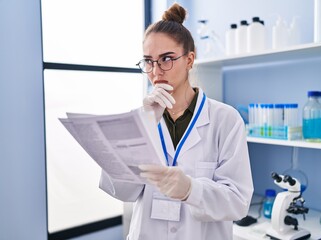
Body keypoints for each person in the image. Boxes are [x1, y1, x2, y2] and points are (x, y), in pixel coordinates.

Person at [99, 3, 253, 240]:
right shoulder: (140, 116)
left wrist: (192, 189)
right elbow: (122, 190)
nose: (156, 71)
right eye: (148, 61)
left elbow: (238, 201)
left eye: (167, 59)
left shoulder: (225, 120)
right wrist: (144, 123)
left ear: (190, 60)